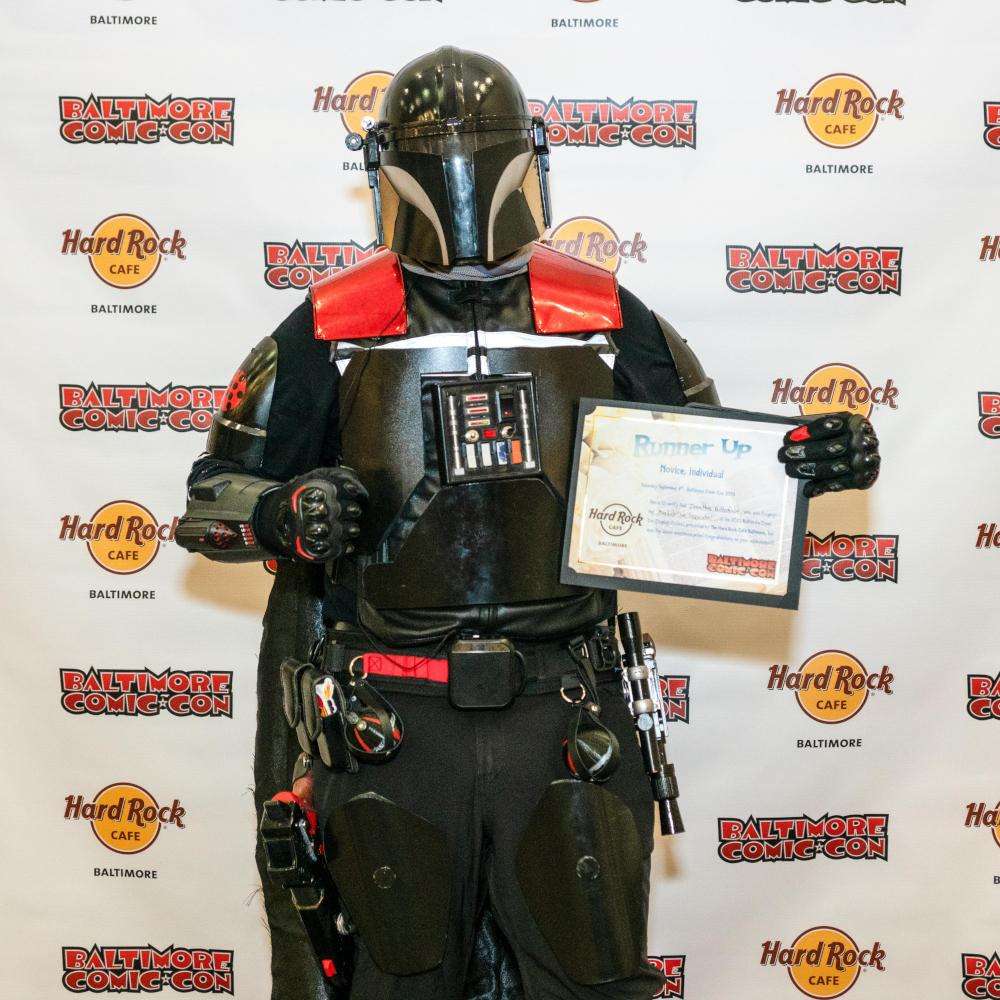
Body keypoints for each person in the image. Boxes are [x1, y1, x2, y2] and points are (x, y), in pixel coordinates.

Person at [177, 46, 880, 1000]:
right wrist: (285, 512)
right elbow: (210, 502)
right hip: (395, 722)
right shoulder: (334, 330)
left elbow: (712, 476)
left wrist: (806, 463)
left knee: (588, 980)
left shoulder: (601, 318)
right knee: (397, 982)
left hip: (564, 706)